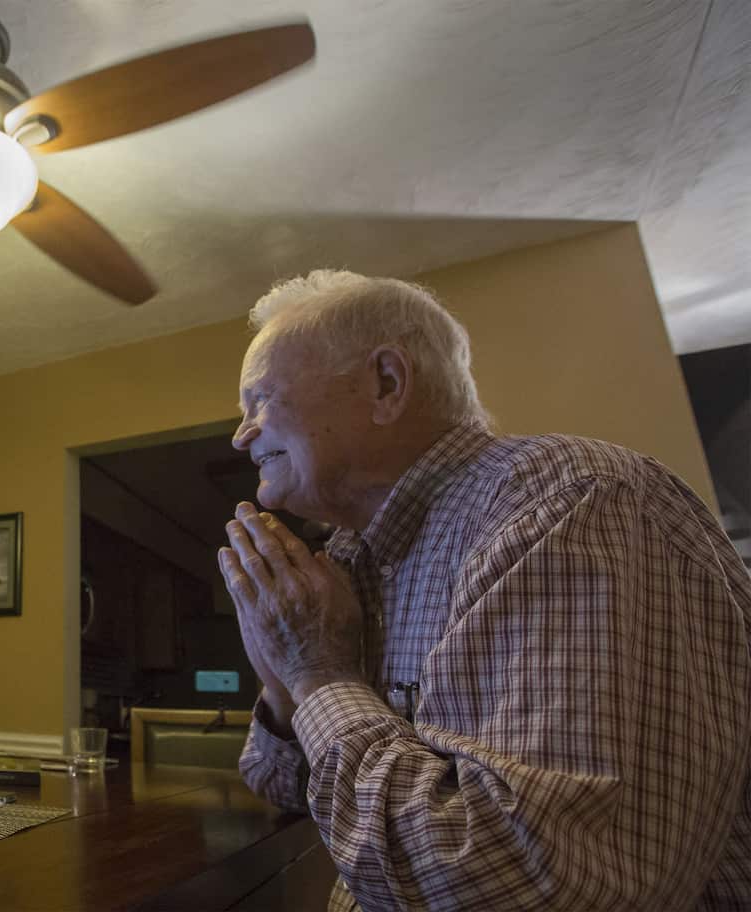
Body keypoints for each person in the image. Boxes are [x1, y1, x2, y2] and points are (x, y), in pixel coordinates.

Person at [218, 269, 751, 910]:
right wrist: (282, 678)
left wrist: (317, 673)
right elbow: (277, 781)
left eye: (260, 400)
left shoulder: (564, 500)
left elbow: (524, 881)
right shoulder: (348, 561)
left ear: (385, 383)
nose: (241, 434)